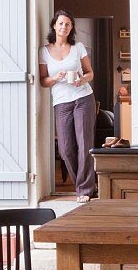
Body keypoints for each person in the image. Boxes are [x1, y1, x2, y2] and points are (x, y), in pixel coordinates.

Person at [39, 10, 97, 202]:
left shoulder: (78, 47)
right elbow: (43, 81)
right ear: (54, 26)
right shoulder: (44, 51)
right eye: (61, 24)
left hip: (83, 98)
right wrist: (55, 78)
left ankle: (85, 190)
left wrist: (82, 80)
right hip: (62, 103)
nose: (64, 27)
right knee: (66, 149)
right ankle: (82, 185)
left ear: (71, 28)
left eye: (68, 24)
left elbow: (90, 73)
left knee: (84, 145)